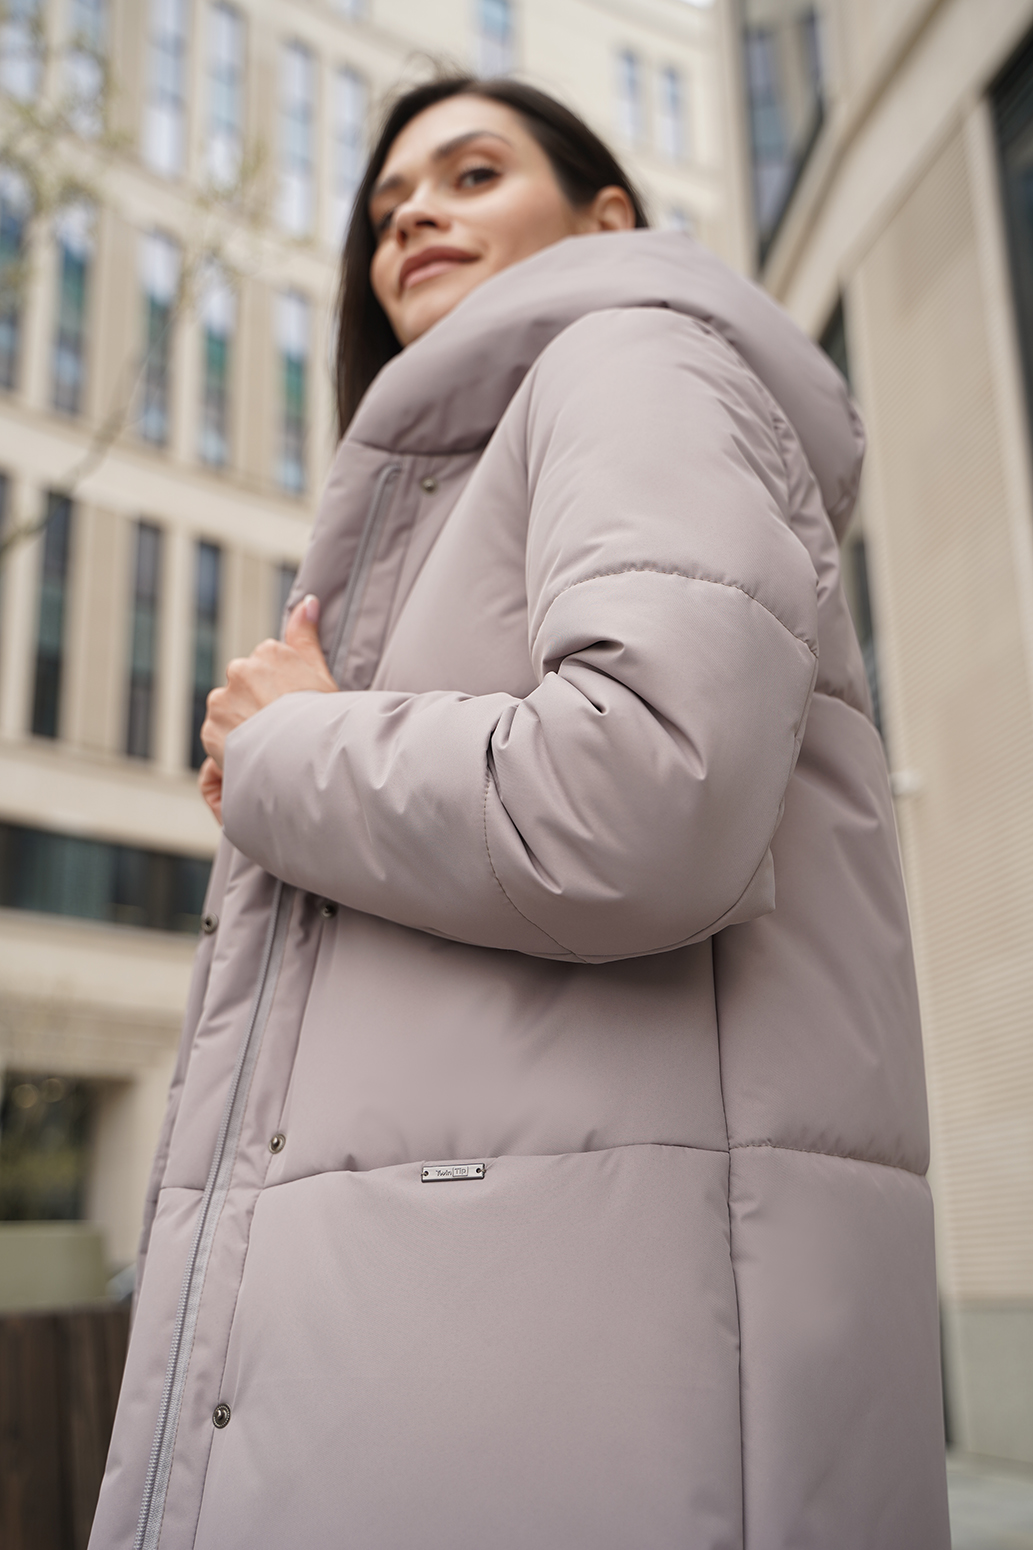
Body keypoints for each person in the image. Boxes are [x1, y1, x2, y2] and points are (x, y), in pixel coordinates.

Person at [90, 77, 950, 1550]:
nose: (411, 215)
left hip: (581, 1387)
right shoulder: (470, 486)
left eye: (472, 173)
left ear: (606, 220)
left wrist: (291, 747)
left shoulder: (631, 354)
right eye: (385, 207)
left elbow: (649, 788)